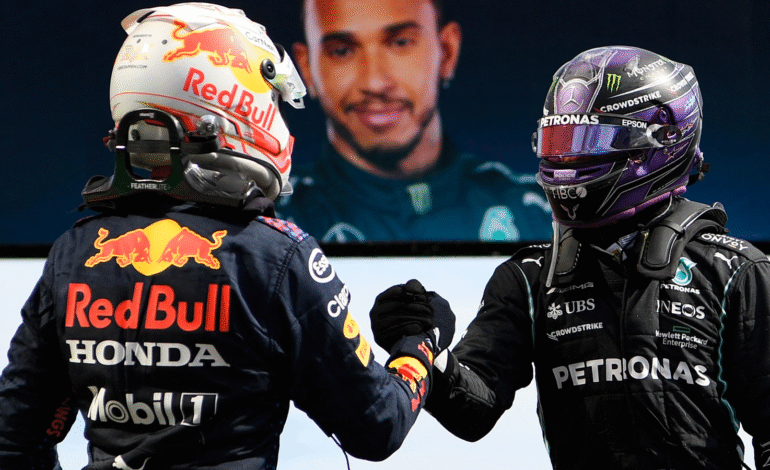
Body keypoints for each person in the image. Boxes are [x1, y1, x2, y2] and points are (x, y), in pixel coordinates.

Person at [0, 4, 455, 469]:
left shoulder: (74, 253)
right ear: (236, 103)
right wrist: (417, 346)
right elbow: (377, 426)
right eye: (270, 100)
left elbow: (13, 439)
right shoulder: (276, 257)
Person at [369, 46, 770, 469]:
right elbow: (473, 411)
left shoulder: (737, 274)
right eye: (560, 144)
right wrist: (424, 347)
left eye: (589, 143)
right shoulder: (530, 279)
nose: (568, 163)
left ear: (661, 143)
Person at [275, 0, 553, 242]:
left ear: (447, 51)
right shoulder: (271, 224)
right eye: (342, 51)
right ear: (306, 68)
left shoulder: (539, 214)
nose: (374, 82)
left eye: (400, 43)